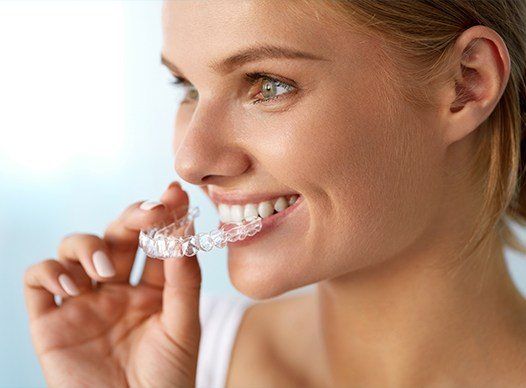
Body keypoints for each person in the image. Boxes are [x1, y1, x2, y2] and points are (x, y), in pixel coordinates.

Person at [23, 0, 526, 386]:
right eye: (188, 87)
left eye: (268, 84)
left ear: (466, 84)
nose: (191, 162)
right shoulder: (176, 361)